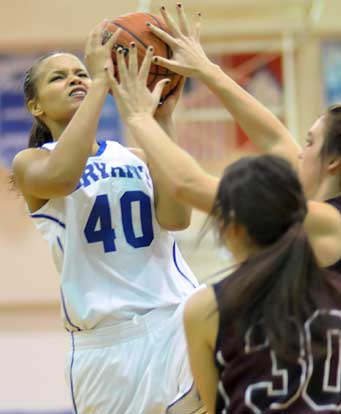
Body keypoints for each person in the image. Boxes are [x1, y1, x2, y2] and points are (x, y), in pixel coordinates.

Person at [104, 5, 341, 413]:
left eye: (310, 143)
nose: (297, 153)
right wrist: (205, 70)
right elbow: (273, 141)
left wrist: (138, 115)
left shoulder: (326, 222)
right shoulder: (321, 216)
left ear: (333, 162)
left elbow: (189, 185)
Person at [12, 20, 206, 414]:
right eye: (59, 78)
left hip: (173, 319)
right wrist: (100, 85)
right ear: (36, 106)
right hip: (104, 345)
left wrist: (163, 120)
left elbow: (177, 218)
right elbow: (64, 177)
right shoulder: (31, 163)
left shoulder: (135, 155)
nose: (75, 80)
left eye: (81, 72)